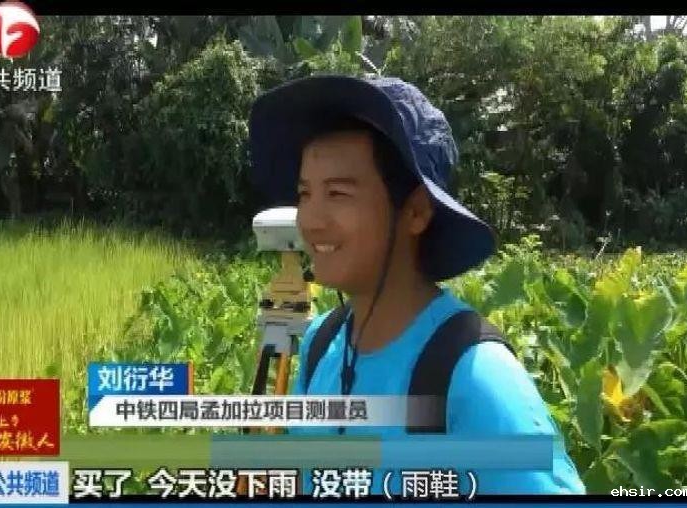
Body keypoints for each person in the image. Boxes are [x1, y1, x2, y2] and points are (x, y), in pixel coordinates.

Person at [248, 75, 585, 495]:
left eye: (337, 194)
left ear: (416, 212)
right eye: (305, 194)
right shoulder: (321, 344)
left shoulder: (475, 378)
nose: (311, 220)